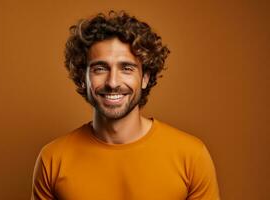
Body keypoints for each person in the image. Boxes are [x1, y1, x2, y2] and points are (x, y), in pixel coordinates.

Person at [31, 10, 220, 200]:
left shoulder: (192, 156)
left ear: (145, 77)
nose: (113, 82)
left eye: (127, 68)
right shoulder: (53, 159)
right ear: (82, 78)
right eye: (100, 69)